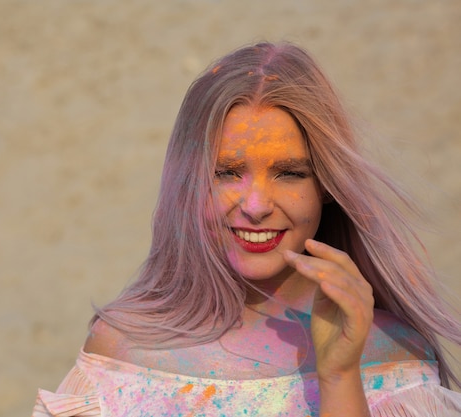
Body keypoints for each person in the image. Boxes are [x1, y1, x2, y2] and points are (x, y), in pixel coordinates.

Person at [32, 42, 461, 416]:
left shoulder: (395, 357)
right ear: (190, 183)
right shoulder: (121, 354)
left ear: (326, 186)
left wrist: (340, 378)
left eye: (289, 173)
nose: (255, 206)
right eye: (227, 172)